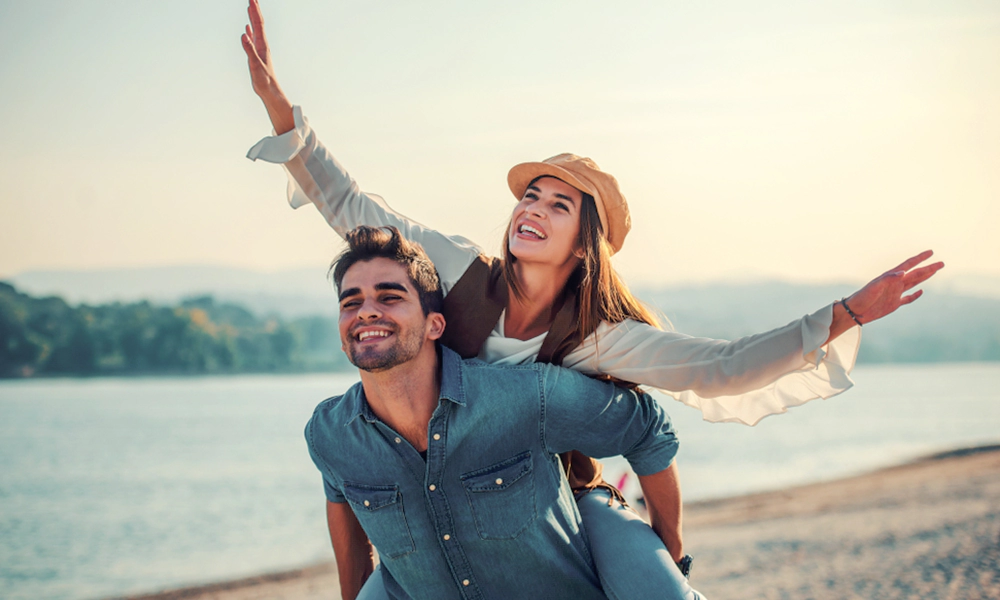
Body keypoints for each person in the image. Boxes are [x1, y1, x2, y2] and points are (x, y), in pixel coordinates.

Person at [240, 0, 944, 597]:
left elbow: (722, 367)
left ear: (585, 243)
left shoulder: (601, 336)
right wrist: (283, 115)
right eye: (529, 196)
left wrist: (844, 314)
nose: (532, 210)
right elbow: (350, 203)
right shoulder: (457, 268)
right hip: (444, 493)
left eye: (558, 205)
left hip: (566, 499)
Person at [310, 225, 702, 600]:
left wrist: (670, 561)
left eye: (389, 297)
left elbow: (646, 430)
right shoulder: (329, 435)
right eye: (351, 302)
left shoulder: (525, 397)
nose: (366, 312)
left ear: (434, 325)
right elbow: (343, 510)